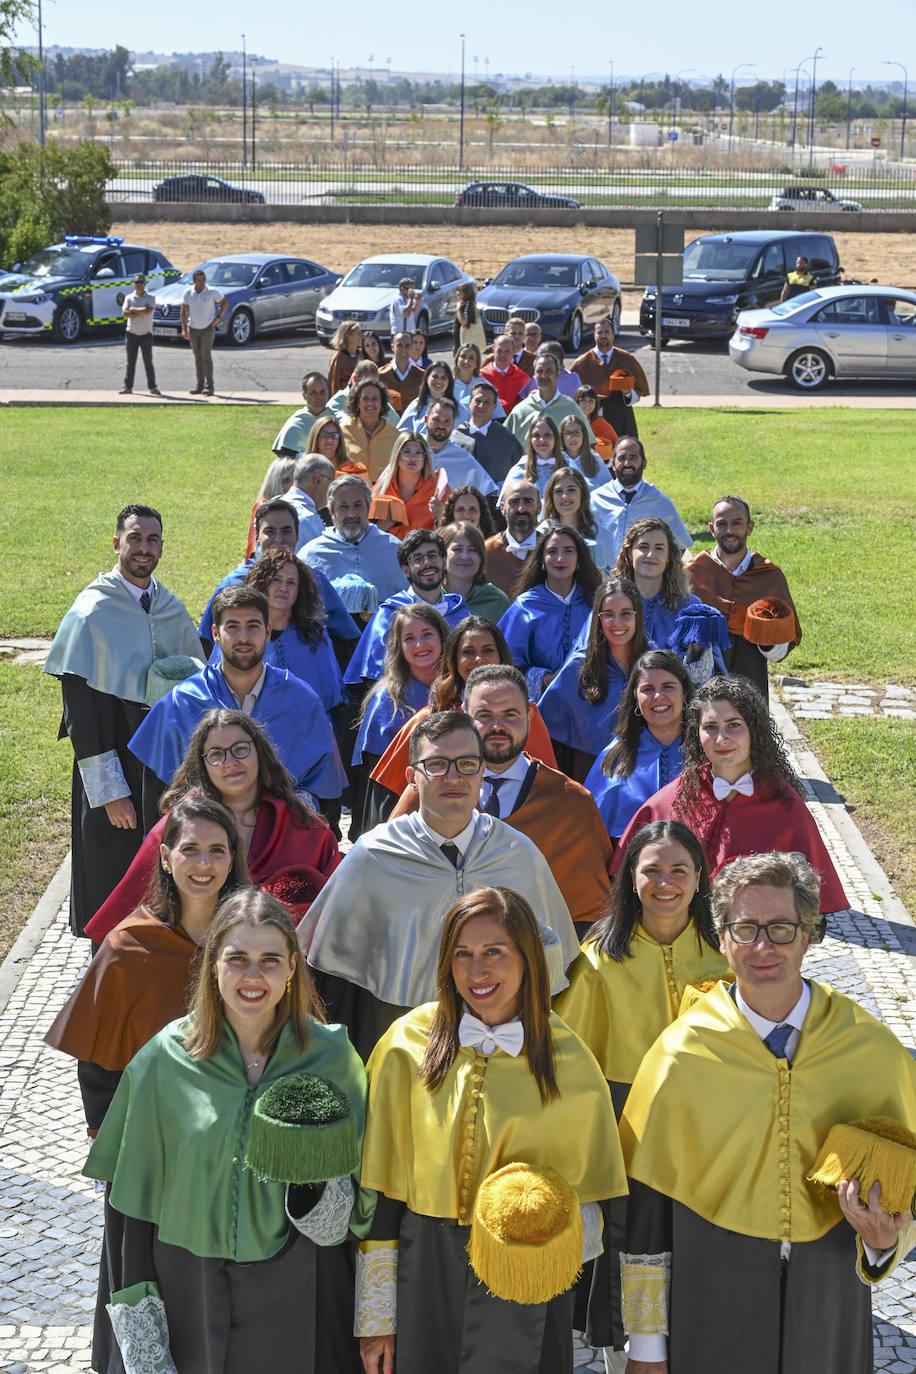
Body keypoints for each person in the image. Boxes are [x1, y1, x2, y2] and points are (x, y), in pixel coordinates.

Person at [618, 850, 916, 1374]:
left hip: (830, 1294)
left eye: (781, 928)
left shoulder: (871, 1050)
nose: (763, 947)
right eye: (745, 928)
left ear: (808, 935)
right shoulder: (679, 1054)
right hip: (710, 1294)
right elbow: (647, 1214)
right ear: (722, 938)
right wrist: (646, 1347)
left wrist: (882, 1247)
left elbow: (903, 1189)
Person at [85, 889, 369, 1374]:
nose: (252, 976)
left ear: (292, 967)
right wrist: (140, 1335)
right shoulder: (163, 1060)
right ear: (213, 964)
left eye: (270, 960)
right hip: (186, 1288)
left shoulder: (333, 1058)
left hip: (301, 1290)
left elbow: (363, 1202)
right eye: (237, 959)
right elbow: (128, 1208)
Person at [357, 886, 628, 1374]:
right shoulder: (404, 1046)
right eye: (462, 954)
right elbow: (382, 1198)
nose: (476, 971)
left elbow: (592, 1207)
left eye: (494, 952)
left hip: (527, 1281)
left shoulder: (570, 1061)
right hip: (424, 1274)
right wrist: (376, 1318)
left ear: (527, 958)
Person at [302, 711, 580, 1059]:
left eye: (467, 764)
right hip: (400, 1046)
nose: (453, 777)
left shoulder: (519, 854)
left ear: (482, 772)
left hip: (504, 1048)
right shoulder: (372, 857)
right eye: (436, 764)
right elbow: (333, 986)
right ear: (411, 777)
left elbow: (554, 973)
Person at [554, 818, 724, 1361]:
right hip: (626, 1125)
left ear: (700, 877)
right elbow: (571, 1065)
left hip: (712, 1124)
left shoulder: (729, 954)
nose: (665, 882)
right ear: (631, 877)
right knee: (631, 1246)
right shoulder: (598, 961)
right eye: (652, 870)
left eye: (679, 869)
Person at [43, 504, 201, 937]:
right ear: (117, 544)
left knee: (160, 865)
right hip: (113, 757)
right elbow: (80, 716)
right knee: (111, 869)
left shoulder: (169, 606)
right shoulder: (91, 611)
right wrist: (111, 793)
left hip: (160, 761)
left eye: (152, 540)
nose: (143, 548)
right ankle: (107, 956)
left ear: (161, 547)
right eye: (135, 538)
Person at [46, 796, 248, 1131]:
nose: (204, 863)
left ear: (231, 859)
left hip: (240, 1127)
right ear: (166, 857)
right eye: (190, 849)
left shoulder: (255, 941)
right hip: (152, 1132)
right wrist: (107, 1142)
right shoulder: (128, 948)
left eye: (217, 850)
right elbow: (99, 1068)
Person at [86, 708, 342, 944]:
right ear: (203, 765)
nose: (230, 762)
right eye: (216, 754)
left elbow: (336, 911)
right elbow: (130, 911)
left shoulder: (303, 827)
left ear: (259, 753)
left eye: (241, 749)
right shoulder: (178, 826)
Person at [613, 675, 850, 913]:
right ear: (697, 734)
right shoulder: (671, 800)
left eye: (733, 725)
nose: (721, 738)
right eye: (710, 727)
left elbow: (810, 911)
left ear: (754, 731)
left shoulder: (787, 808)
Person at [129, 586, 346, 821]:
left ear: (268, 631)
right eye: (232, 627)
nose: (243, 637)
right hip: (202, 838)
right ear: (215, 633)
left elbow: (326, 796)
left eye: (253, 626)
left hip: (281, 837)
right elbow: (156, 802)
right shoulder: (180, 704)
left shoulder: (302, 702)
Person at [365, 617, 558, 827]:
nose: (479, 659)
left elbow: (547, 791)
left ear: (501, 656)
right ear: (454, 660)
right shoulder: (428, 720)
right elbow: (391, 806)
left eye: (488, 650)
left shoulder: (526, 718)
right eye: (468, 652)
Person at [464, 665, 614, 934]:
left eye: (510, 714)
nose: (497, 726)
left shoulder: (571, 804)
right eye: (484, 715)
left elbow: (590, 915)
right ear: (464, 717)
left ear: (530, 716)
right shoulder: (434, 794)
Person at [199, 497, 359, 656]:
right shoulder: (235, 582)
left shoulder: (315, 583)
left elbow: (349, 641)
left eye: (286, 531)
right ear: (257, 537)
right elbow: (205, 642)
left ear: (297, 535)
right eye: (270, 531)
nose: (279, 539)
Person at [687, 494, 801, 703]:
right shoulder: (692, 574)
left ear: (750, 527)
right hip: (700, 693)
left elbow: (782, 649)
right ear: (711, 529)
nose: (729, 530)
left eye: (737, 523)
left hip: (750, 688)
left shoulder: (768, 576)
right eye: (722, 524)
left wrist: (766, 636)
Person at [539, 576, 650, 781]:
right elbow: (548, 734)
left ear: (638, 616)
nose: (617, 622)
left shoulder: (653, 665)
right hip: (587, 774)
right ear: (598, 618)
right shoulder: (578, 668)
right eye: (608, 614)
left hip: (644, 773)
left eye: (626, 613)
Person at [351, 604, 447, 835]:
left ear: (443, 637)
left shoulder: (460, 688)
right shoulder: (387, 700)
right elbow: (379, 785)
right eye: (409, 638)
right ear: (399, 646)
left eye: (427, 634)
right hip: (403, 813)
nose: (420, 644)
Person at [584, 650, 692, 841]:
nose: (658, 696)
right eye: (648, 689)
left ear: (684, 694)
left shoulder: (707, 750)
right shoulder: (615, 756)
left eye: (668, 687)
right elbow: (591, 832)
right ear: (635, 697)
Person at [344, 529, 469, 691]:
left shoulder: (460, 612)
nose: (427, 563)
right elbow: (374, 678)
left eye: (432, 556)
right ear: (406, 570)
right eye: (418, 559)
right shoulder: (389, 615)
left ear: (444, 561)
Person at [226, 547, 346, 717]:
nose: (284, 587)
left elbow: (330, 698)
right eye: (276, 580)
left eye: (291, 582)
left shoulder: (314, 636)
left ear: (299, 590)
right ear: (263, 584)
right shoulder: (240, 635)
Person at [615, 518, 728, 679]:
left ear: (669, 556)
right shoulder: (611, 604)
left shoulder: (691, 609)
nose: (650, 554)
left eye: (659, 548)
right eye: (643, 547)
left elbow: (711, 676)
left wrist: (697, 654)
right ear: (629, 553)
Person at [498, 526, 601, 700]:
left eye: (568, 551)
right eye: (552, 551)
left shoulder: (596, 604)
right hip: (539, 705)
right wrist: (544, 678)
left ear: (579, 559)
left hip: (591, 701)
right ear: (542, 560)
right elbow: (505, 665)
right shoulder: (524, 607)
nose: (560, 558)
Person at [301, 475, 405, 607]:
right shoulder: (310, 555)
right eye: (343, 506)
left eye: (358, 505)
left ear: (368, 508)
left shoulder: (394, 550)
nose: (351, 514)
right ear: (332, 512)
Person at [590, 436, 693, 566]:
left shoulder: (659, 502)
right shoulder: (595, 499)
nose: (627, 463)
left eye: (633, 458)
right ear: (613, 464)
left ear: (644, 463)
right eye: (622, 458)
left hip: (643, 576)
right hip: (603, 576)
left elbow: (680, 546)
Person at [570, 316, 649, 439]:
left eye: (606, 332)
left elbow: (638, 393)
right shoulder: (582, 363)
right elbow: (573, 396)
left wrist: (627, 392)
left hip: (622, 417)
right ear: (594, 335)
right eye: (599, 332)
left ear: (613, 334)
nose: (603, 336)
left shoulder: (626, 359)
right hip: (592, 419)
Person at [504, 352, 590, 446]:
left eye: (549, 371)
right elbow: (503, 442)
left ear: (558, 374)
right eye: (539, 371)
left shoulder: (572, 409)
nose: (543, 376)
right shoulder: (520, 410)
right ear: (534, 375)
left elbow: (589, 444)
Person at [369, 432, 439, 541]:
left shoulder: (438, 489)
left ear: (425, 457)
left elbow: (452, 527)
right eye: (406, 451)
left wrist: (441, 513)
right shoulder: (381, 489)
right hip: (387, 549)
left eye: (418, 452)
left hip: (423, 550)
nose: (412, 457)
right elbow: (366, 533)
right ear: (397, 455)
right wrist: (383, 526)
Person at [541, 467, 612, 573]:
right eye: (559, 491)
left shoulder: (601, 533)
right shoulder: (542, 532)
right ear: (551, 497)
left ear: (582, 494)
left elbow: (611, 573)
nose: (565, 496)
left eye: (571, 490)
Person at [455, 378, 523, 485]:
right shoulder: (456, 436)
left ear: (495, 406)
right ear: (470, 403)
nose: (481, 406)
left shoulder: (507, 440)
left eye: (487, 402)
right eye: (478, 401)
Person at [441, 520, 510, 621]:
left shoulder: (497, 601)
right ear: (442, 555)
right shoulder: (428, 598)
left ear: (481, 557)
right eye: (457, 549)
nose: (465, 556)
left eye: (472, 550)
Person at [484, 479, 541, 597]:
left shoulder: (552, 549)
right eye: (514, 502)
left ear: (539, 507)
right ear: (502, 508)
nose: (521, 509)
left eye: (528, 502)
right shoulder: (486, 552)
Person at [340, 378, 400, 481]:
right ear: (357, 402)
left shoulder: (395, 435)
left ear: (382, 403)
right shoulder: (342, 431)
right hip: (350, 487)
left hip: (384, 489)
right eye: (365, 398)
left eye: (375, 398)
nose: (370, 403)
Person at [180, 267, 227, 396]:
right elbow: (184, 310)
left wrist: (217, 318)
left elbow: (224, 303)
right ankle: (199, 385)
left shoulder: (211, 291)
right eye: (198, 280)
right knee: (198, 358)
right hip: (193, 328)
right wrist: (184, 328)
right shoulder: (188, 293)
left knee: (206, 356)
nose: (201, 282)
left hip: (207, 328)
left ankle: (209, 386)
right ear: (194, 281)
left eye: (203, 280)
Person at [500, 414, 570, 499]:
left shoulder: (568, 464)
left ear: (555, 437)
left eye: (547, 435)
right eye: (536, 435)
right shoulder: (520, 468)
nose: (542, 440)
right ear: (530, 440)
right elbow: (505, 501)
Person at [397, 360, 470, 433]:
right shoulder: (416, 405)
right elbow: (401, 433)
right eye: (435, 376)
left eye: (443, 378)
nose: (439, 381)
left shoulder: (459, 410)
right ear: (427, 378)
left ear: (449, 382)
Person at [118, 272, 160, 396]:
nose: (139, 284)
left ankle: (152, 387)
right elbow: (125, 314)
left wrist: (133, 310)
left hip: (146, 334)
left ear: (145, 284)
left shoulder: (150, 297)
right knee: (130, 362)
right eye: (137, 282)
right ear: (134, 284)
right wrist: (140, 311)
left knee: (148, 362)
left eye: (141, 282)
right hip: (131, 333)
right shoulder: (129, 298)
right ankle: (128, 386)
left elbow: (148, 311)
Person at [272, 372, 333, 455]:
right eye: (313, 392)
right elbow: (285, 456)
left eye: (322, 391)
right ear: (304, 395)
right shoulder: (296, 422)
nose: (319, 396)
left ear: (328, 392)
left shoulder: (337, 419)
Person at [286, 455, 335, 549]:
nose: (332, 490)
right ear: (318, 480)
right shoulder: (309, 520)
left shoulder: (272, 504)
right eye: (332, 483)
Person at [557, 413, 612, 492]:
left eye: (577, 432)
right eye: (568, 433)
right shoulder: (555, 460)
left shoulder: (595, 459)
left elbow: (608, 489)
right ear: (562, 436)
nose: (572, 437)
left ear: (584, 434)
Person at [306, 414, 369, 481]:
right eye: (325, 434)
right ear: (315, 437)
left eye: (334, 435)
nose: (330, 439)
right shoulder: (304, 467)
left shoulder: (355, 470)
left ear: (339, 439)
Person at [480, 334, 530, 413]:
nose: (503, 355)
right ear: (493, 351)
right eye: (499, 351)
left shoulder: (523, 378)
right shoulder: (481, 376)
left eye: (507, 351)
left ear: (513, 352)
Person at [379, 331, 424, 411]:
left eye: (407, 345)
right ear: (392, 347)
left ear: (412, 347)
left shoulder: (422, 375)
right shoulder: (380, 375)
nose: (403, 349)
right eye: (399, 345)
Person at [574, 384, 618, 462]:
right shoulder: (569, 423)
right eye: (583, 400)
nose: (587, 404)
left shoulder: (602, 425)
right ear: (577, 402)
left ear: (596, 403)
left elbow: (617, 446)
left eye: (591, 401)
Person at [327, 320, 363, 395]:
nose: (361, 336)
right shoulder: (338, 358)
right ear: (348, 335)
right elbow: (334, 383)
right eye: (358, 333)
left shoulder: (362, 355)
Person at [452, 279, 487, 353]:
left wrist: (458, 309)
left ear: (466, 293)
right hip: (460, 344)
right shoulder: (464, 303)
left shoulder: (469, 305)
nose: (457, 293)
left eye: (459, 291)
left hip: (465, 346)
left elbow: (464, 322)